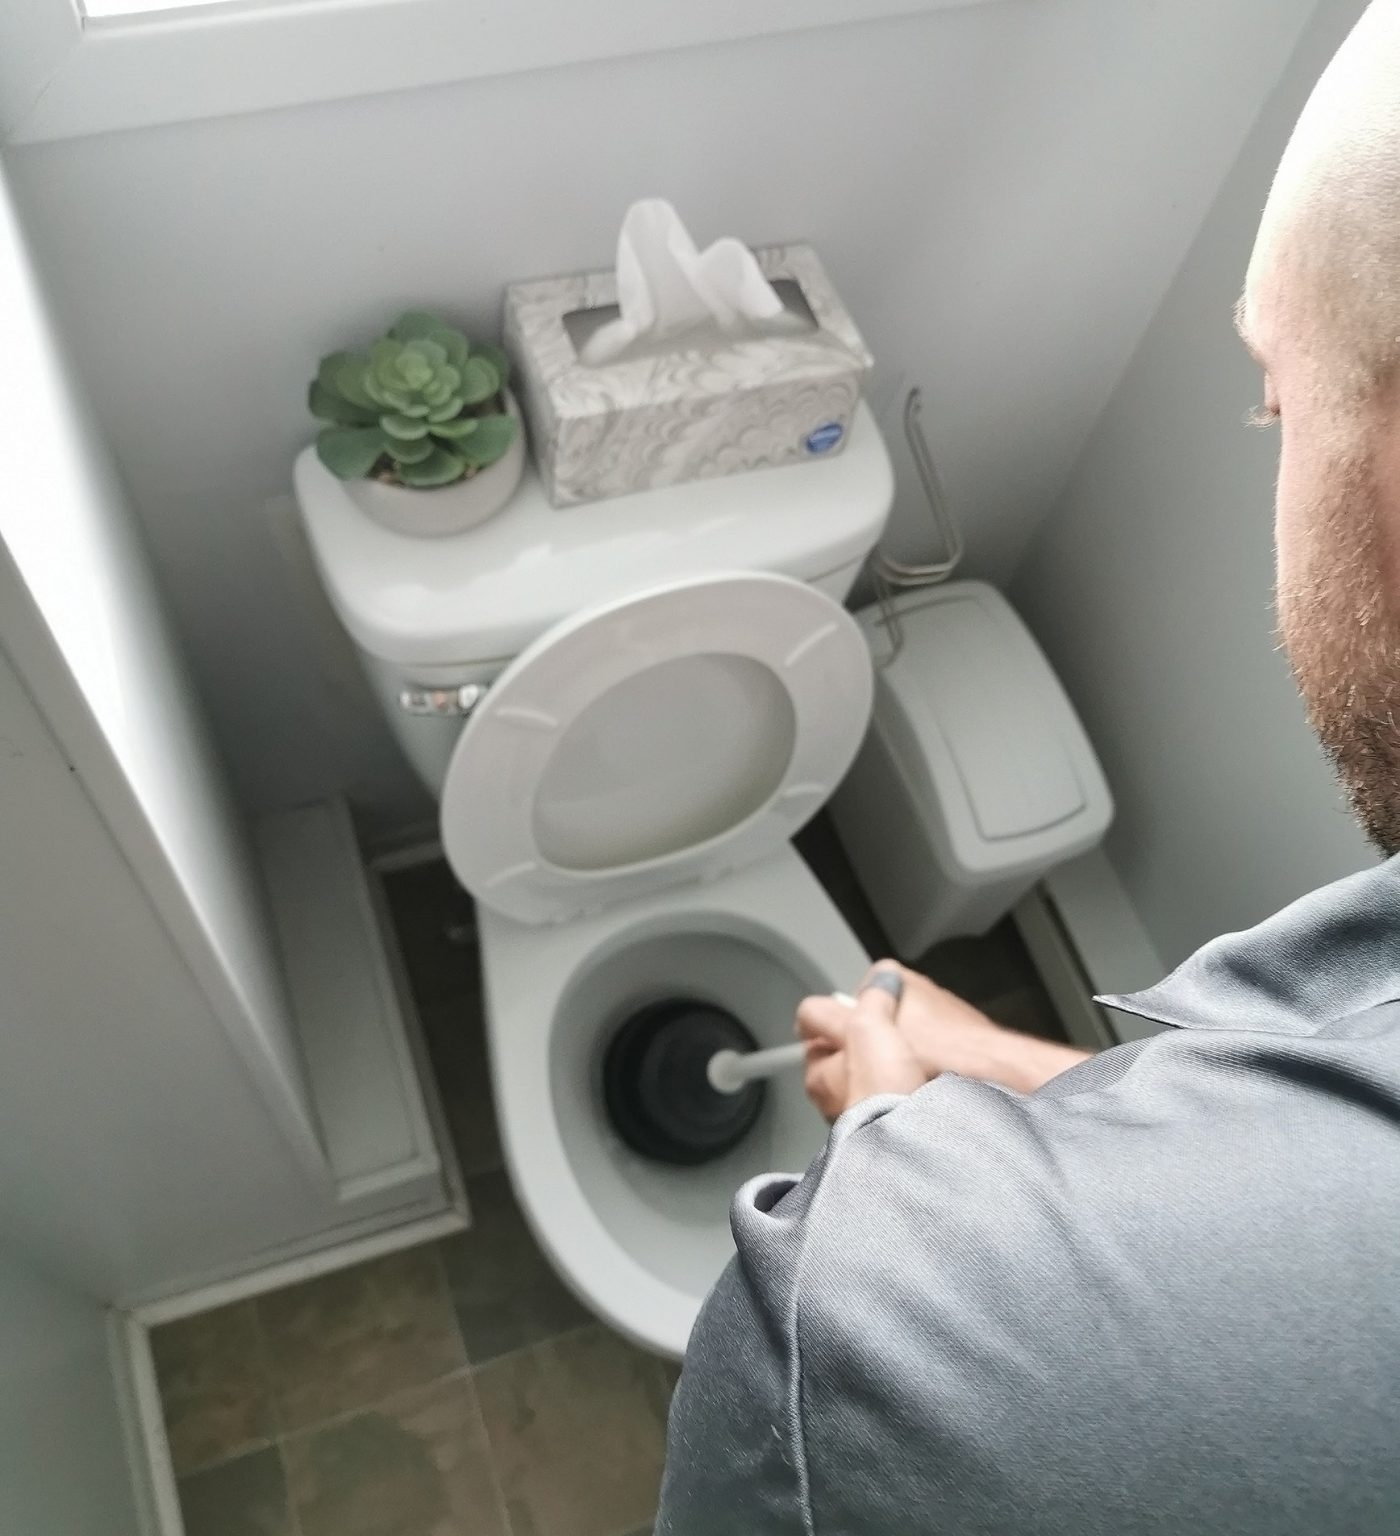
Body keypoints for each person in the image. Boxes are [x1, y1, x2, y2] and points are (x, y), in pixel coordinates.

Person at [656, 3, 1400, 1530]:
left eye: (1276, 395)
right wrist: (998, 1067)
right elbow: (1278, 1148)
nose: (1270, 436)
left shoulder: (851, 1335)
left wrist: (895, 1159)